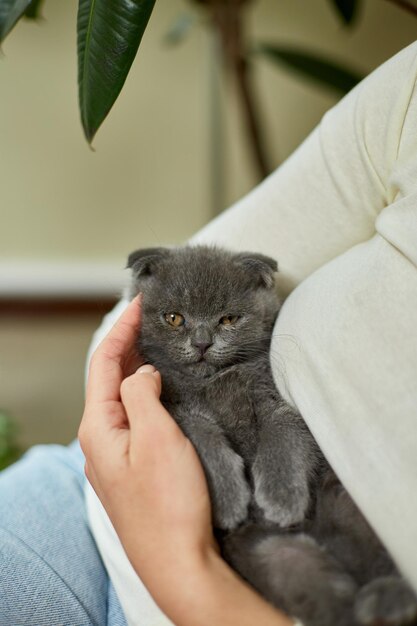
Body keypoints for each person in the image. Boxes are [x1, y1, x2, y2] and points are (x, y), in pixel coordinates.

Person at [1, 40, 417, 626]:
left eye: (224, 323)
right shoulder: (407, 102)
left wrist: (185, 567)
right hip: (83, 493)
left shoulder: (256, 354)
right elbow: (135, 328)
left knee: (297, 567)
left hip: (218, 580)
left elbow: (277, 414)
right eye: (177, 322)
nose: (200, 343)